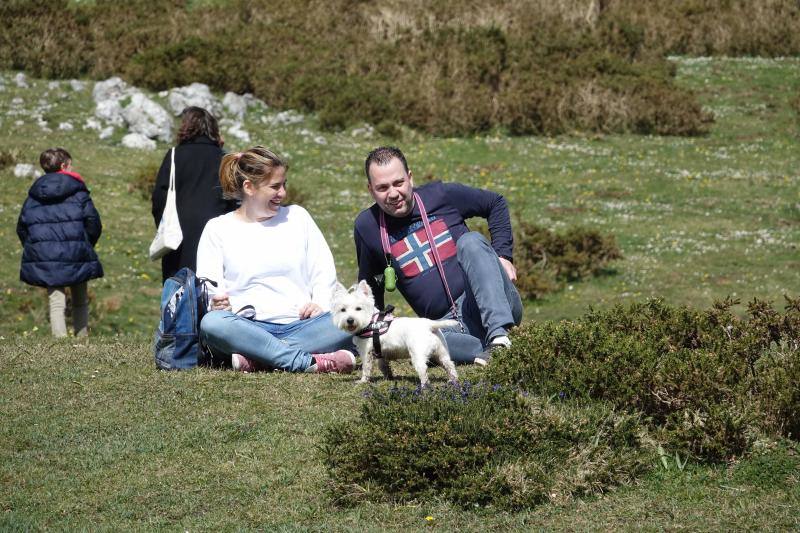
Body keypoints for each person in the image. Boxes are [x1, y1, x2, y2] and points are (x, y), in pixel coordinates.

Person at [354, 146, 523, 365]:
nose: (393, 194)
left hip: (492, 301)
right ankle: (490, 351)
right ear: (370, 189)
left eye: (398, 183)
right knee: (420, 337)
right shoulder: (367, 226)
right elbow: (370, 286)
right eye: (382, 188)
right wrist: (370, 335)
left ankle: (499, 334)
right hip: (445, 324)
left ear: (410, 178)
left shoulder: (441, 195)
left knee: (470, 241)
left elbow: (495, 203)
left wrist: (503, 255)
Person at [196, 146, 356, 373]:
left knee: (357, 316)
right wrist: (217, 302)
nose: (282, 193)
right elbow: (209, 286)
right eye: (274, 187)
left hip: (303, 325)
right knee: (213, 324)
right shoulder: (218, 229)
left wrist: (319, 303)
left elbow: (323, 270)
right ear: (249, 187)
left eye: (284, 184)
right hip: (247, 327)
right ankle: (306, 361)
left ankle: (259, 358)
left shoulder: (298, 217)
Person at [17, 148, 103, 337]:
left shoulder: (33, 196)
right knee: (80, 300)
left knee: (56, 303)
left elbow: (22, 228)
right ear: (64, 165)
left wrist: (38, 248)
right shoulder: (79, 192)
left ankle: (60, 344)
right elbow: (93, 223)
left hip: (46, 255)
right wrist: (86, 243)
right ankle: (82, 342)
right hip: (76, 251)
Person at [151, 106, 237, 282]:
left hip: (179, 236)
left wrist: (164, 224)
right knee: (214, 288)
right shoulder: (223, 158)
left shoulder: (174, 156)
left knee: (179, 290)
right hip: (217, 232)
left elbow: (159, 198)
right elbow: (234, 199)